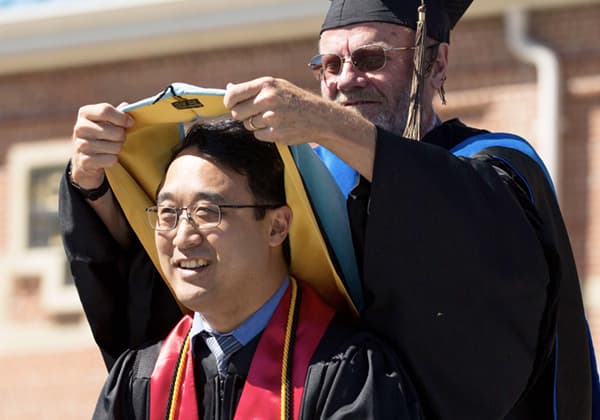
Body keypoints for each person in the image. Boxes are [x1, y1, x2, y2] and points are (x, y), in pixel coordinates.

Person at [60, 0, 598, 419]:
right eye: (329, 64)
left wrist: (327, 124)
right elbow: (178, 284)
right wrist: (95, 183)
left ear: (436, 63)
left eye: (370, 59)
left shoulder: (494, 167)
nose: (343, 80)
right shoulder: (305, 179)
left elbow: (477, 258)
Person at [89, 119, 421, 419]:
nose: (182, 237)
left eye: (207, 212)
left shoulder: (348, 374)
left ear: (277, 226)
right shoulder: (139, 381)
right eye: (167, 213)